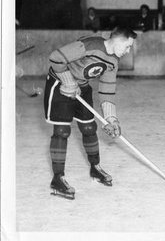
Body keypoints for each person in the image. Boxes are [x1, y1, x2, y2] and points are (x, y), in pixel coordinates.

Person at [44, 26, 137, 200]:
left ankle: (95, 168)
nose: (128, 51)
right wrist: (68, 81)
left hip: (82, 85)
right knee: (62, 131)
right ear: (118, 41)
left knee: (89, 128)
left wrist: (111, 119)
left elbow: (107, 91)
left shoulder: (113, 62)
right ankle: (57, 178)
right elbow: (56, 58)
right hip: (59, 84)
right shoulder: (90, 45)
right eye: (127, 46)